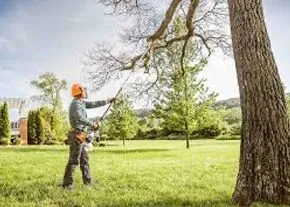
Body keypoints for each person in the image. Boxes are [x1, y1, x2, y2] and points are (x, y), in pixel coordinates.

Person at [60, 82, 115, 190]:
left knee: (84, 160)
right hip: (76, 135)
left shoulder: (82, 103)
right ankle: (67, 185)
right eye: (84, 90)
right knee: (74, 160)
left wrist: (108, 100)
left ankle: (88, 183)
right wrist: (92, 124)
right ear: (80, 92)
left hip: (82, 135)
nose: (85, 92)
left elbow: (94, 104)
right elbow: (80, 118)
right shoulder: (75, 104)